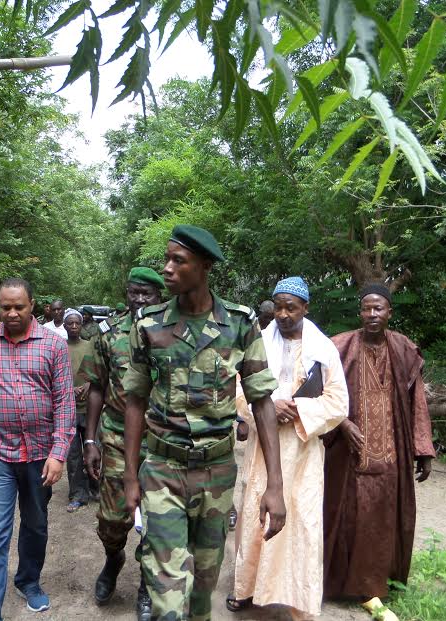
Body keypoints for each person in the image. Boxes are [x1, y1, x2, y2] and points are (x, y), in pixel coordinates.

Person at [121, 225, 287, 621]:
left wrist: (275, 487)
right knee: (166, 597)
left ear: (205, 266)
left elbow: (263, 405)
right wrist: (130, 476)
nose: (167, 269)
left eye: (178, 261)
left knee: (205, 584)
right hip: (163, 471)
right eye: (167, 259)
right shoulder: (148, 325)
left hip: (216, 473)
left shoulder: (240, 323)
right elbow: (134, 401)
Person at [0, 278, 75, 619]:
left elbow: (65, 403)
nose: (10, 313)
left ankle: (28, 581)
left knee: (35, 524)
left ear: (32, 305)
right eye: (4, 307)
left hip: (40, 455)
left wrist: (58, 453)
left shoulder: (53, 346)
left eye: (18, 307)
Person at [229, 277, 348, 619]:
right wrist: (268, 407)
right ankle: (246, 588)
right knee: (255, 514)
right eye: (277, 307)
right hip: (262, 450)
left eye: (290, 307)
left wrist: (296, 410)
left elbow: (339, 404)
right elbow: (239, 394)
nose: (282, 314)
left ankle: (299, 599)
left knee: (302, 522)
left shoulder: (323, 350)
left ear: (305, 308)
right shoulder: (259, 345)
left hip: (303, 450)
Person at [323, 284, 436, 621]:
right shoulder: (339, 347)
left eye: (379, 309)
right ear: (360, 312)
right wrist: (342, 422)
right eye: (366, 309)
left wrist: (423, 450)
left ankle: (372, 587)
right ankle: (338, 584)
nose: (372, 315)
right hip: (347, 455)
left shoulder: (403, 349)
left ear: (389, 313)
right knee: (345, 518)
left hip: (391, 454)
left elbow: (417, 404)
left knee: (382, 521)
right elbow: (318, 393)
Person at [78, 266, 163, 619]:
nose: (139, 299)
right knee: (111, 520)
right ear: (125, 292)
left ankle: (147, 584)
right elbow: (96, 386)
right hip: (114, 436)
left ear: (161, 297)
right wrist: (90, 440)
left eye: (147, 294)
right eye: (134, 292)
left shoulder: (172, 332)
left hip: (161, 440)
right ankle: (113, 559)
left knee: (159, 519)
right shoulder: (108, 332)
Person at [64, 308, 96, 513]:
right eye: (70, 324)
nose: (74, 327)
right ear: (65, 326)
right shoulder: (59, 347)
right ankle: (77, 494)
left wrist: (89, 385)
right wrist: (69, 389)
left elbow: (100, 371)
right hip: (68, 409)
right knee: (73, 454)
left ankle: (95, 487)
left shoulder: (90, 346)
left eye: (78, 323)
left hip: (91, 408)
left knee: (94, 448)